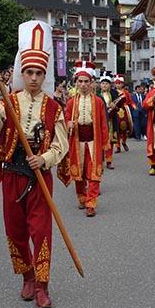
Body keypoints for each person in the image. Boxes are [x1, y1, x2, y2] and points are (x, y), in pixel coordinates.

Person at [0, 21, 69, 308]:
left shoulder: (54, 107)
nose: (33, 78)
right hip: (12, 175)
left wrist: (43, 159)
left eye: (39, 73)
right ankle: (27, 276)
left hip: (38, 177)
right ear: (23, 73)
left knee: (41, 230)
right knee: (15, 230)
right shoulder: (9, 101)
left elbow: (61, 145)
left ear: (45, 76)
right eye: (29, 72)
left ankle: (43, 285)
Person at [59, 61, 109, 217]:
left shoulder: (99, 102)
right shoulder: (71, 102)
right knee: (79, 173)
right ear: (76, 83)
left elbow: (103, 123)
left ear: (91, 83)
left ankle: (91, 203)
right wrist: (69, 124)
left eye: (86, 81)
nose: (83, 85)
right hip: (77, 141)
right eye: (80, 81)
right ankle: (81, 197)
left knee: (94, 173)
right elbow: (65, 120)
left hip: (94, 141)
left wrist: (105, 144)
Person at [98, 73, 120, 169]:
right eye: (103, 83)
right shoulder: (96, 95)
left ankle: (109, 161)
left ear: (110, 85)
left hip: (111, 121)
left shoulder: (114, 94)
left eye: (106, 83)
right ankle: (100, 160)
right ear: (100, 85)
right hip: (100, 121)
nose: (104, 85)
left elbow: (118, 107)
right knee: (99, 141)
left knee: (110, 142)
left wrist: (115, 107)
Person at [113, 75, 134, 152]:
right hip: (115, 111)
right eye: (116, 83)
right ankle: (117, 146)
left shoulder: (126, 92)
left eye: (120, 83)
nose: (118, 85)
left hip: (124, 111)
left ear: (122, 84)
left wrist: (134, 106)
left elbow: (130, 101)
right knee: (116, 129)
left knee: (124, 128)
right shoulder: (113, 92)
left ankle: (124, 142)